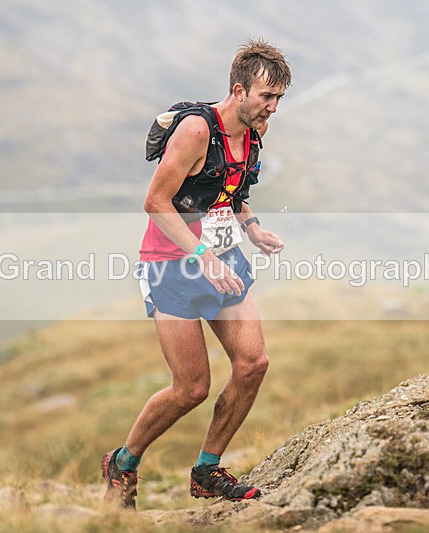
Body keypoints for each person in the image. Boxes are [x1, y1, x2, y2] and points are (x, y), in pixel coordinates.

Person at [102, 38, 292, 510]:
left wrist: (251, 227)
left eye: (279, 100)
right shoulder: (195, 130)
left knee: (253, 363)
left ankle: (207, 470)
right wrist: (202, 253)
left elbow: (230, 188)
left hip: (222, 257)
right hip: (171, 266)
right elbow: (155, 202)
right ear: (238, 89)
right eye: (266, 97)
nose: (272, 108)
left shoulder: (251, 131)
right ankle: (123, 462)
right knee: (191, 388)